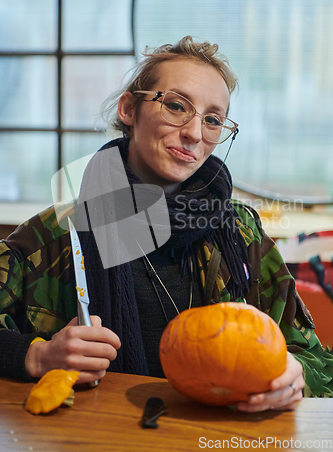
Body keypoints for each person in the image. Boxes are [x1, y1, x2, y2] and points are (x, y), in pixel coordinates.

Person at [0, 36, 332, 413]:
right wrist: (36, 357)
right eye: (176, 106)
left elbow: (319, 361)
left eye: (212, 120)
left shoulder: (239, 232)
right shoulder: (56, 234)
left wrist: (296, 374)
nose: (194, 133)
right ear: (128, 108)